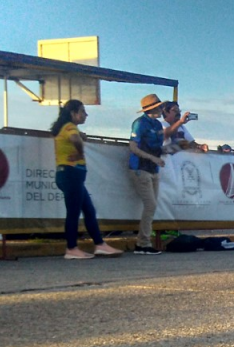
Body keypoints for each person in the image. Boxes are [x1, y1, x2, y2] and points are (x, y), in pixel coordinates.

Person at [50, 100, 123, 260]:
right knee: (74, 212)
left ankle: (100, 245)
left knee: (89, 210)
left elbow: (76, 137)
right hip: (70, 174)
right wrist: (80, 152)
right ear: (73, 113)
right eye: (82, 111)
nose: (86, 115)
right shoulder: (70, 127)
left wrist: (81, 136)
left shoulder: (66, 127)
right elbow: (75, 139)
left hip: (71, 176)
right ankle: (71, 248)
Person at [129, 94, 167, 255]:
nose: (162, 109)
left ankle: (143, 241)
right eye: (159, 107)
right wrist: (153, 158)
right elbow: (133, 147)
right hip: (140, 168)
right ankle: (143, 242)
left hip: (153, 169)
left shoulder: (158, 124)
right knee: (150, 205)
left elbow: (159, 148)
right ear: (152, 108)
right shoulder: (139, 123)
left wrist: (178, 147)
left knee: (152, 206)